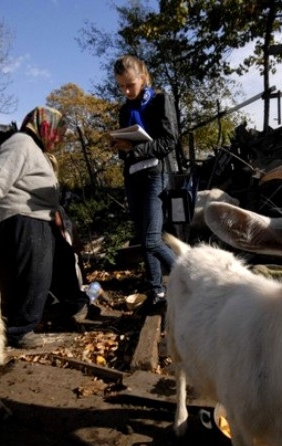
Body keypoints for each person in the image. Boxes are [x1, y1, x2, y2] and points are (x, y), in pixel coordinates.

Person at [0, 106, 90, 349]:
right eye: (58, 132)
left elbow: (47, 197)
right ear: (45, 127)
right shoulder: (20, 143)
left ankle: (73, 304)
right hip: (21, 218)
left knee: (64, 259)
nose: (60, 139)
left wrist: (62, 220)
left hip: (40, 217)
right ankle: (18, 329)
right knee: (37, 269)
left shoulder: (39, 152)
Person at [110, 54, 178, 311]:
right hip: (133, 176)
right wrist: (119, 146)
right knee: (144, 237)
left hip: (155, 174)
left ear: (143, 78)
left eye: (130, 85)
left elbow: (170, 141)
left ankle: (192, 278)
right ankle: (156, 292)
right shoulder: (124, 109)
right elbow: (124, 151)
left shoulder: (160, 100)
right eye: (121, 86)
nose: (126, 91)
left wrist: (135, 148)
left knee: (151, 239)